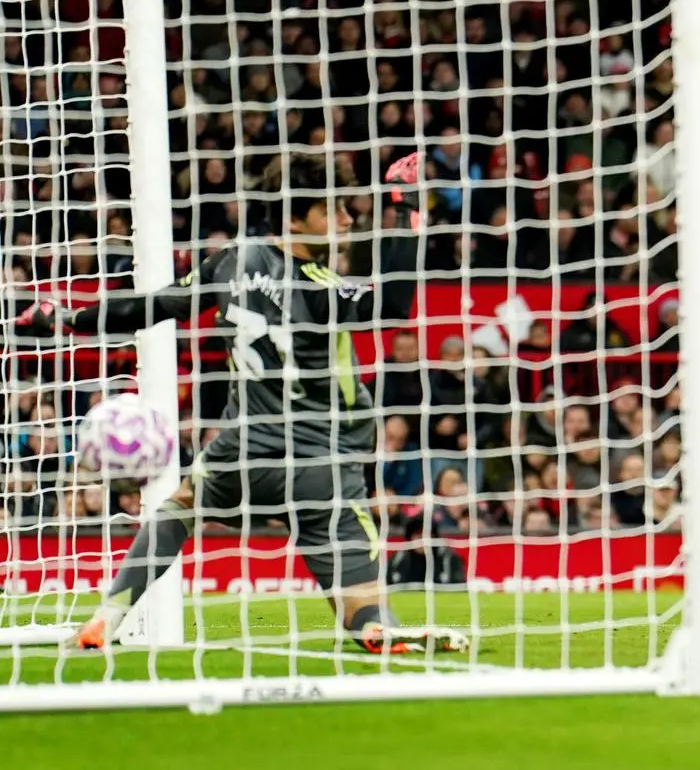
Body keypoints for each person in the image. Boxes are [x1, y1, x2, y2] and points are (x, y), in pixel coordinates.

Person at [19, 155, 467, 654]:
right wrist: (407, 209)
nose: (345, 221)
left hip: (242, 452)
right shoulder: (323, 288)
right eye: (333, 211)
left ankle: (107, 616)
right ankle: (375, 626)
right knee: (362, 600)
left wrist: (70, 317)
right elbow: (396, 305)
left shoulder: (233, 261)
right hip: (323, 466)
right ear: (295, 217)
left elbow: (154, 305)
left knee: (177, 511)